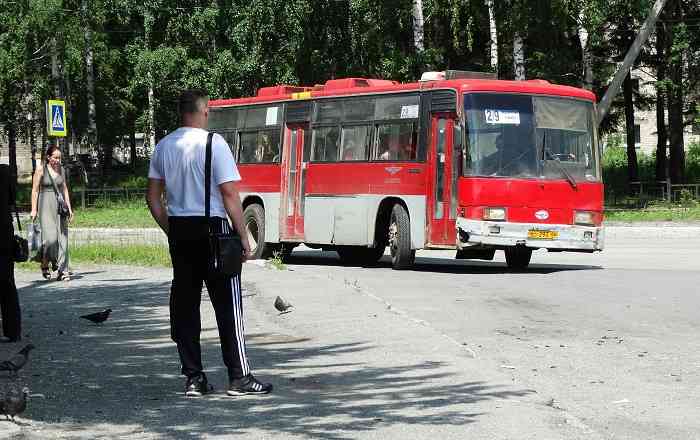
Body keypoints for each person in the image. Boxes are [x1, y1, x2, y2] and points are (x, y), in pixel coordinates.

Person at [146, 89, 272, 397]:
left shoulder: (163, 146)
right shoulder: (214, 144)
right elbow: (230, 195)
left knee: (186, 307)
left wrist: (171, 229)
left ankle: (194, 379)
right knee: (228, 305)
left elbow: (153, 198)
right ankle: (239, 377)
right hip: (215, 231)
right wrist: (244, 237)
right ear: (204, 111)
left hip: (181, 232)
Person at [30, 145, 73, 281]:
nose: (58, 160)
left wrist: (70, 208)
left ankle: (62, 270)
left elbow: (65, 189)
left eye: (59, 157)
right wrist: (34, 209)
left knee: (63, 238)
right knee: (50, 239)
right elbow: (35, 190)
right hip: (45, 206)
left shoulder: (62, 169)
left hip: (60, 207)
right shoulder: (41, 169)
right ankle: (44, 262)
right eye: (55, 157)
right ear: (48, 157)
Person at [0, 164, 21, 342]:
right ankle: (13, 331)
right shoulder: (5, 172)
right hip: (5, 235)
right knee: (8, 285)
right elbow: (13, 199)